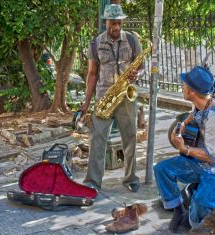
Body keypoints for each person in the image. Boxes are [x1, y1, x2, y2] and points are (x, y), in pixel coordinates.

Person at [153, 66, 215, 233]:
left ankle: (195, 224)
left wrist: (184, 148)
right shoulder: (202, 104)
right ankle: (178, 210)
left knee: (200, 203)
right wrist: (182, 126)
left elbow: (211, 157)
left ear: (192, 91)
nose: (182, 87)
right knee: (162, 169)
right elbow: (192, 114)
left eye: (184, 85)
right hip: (204, 162)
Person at [79, 4, 143, 192]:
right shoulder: (95, 43)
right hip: (103, 97)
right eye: (112, 23)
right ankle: (92, 182)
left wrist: (137, 76)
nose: (116, 27)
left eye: (119, 23)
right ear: (105, 21)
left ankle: (130, 178)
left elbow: (141, 67)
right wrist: (86, 103)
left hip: (126, 97)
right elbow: (92, 74)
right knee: (97, 139)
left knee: (130, 138)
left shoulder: (132, 40)